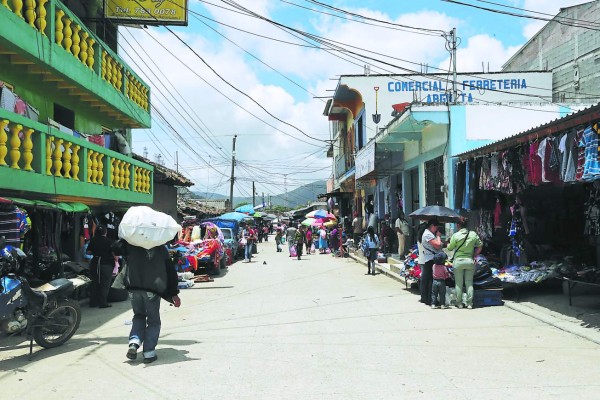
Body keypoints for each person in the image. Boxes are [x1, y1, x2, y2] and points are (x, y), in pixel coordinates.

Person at [125, 243, 181, 363]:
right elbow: (170, 271)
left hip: (133, 289)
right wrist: (173, 293)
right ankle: (149, 353)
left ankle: (134, 343)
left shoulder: (131, 245)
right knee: (153, 321)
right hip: (151, 290)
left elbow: (116, 249)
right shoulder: (160, 249)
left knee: (138, 315)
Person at [447, 217, 483, 309]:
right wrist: (474, 254)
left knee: (459, 283)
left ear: (458, 225)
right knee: (469, 283)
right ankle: (470, 303)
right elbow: (480, 245)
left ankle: (459, 303)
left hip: (458, 262)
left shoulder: (456, 235)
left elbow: (450, 248)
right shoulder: (473, 234)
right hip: (469, 261)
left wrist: (448, 243)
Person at [86, 225, 116, 308]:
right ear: (105, 232)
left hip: (95, 263)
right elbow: (114, 253)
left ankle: (93, 302)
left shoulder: (93, 240)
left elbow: (88, 252)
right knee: (105, 283)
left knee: (94, 282)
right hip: (106, 263)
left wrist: (96, 252)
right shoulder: (109, 241)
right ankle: (103, 303)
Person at [418, 219, 443, 306]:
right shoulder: (428, 234)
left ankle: (427, 298)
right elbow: (437, 245)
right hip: (430, 260)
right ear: (432, 226)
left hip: (429, 259)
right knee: (430, 281)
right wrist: (439, 236)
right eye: (436, 227)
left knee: (428, 280)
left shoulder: (429, 233)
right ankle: (429, 299)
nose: (436, 229)